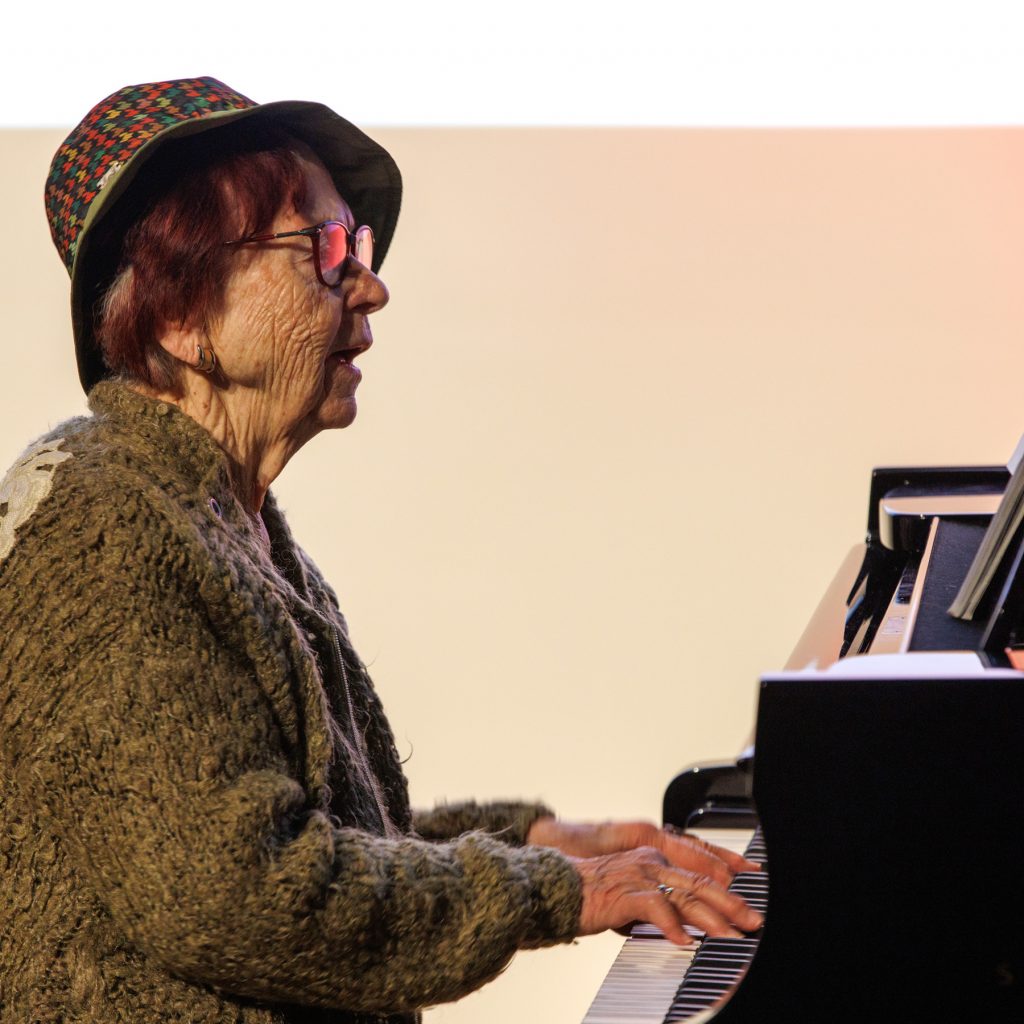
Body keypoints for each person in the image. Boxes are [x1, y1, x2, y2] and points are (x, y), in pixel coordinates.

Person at [0, 78, 762, 1023]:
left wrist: (539, 844)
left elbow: (321, 836)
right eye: (321, 250)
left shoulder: (211, 513)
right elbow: (245, 895)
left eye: (354, 245)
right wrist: (555, 891)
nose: (371, 284)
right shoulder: (102, 530)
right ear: (179, 314)